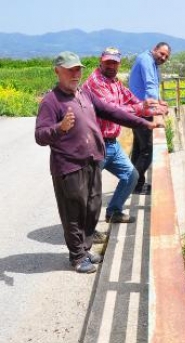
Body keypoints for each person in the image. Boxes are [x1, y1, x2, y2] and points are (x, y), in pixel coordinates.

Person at [35, 51, 162, 274]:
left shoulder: (83, 94)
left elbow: (112, 111)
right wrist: (59, 128)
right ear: (58, 71)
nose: (75, 74)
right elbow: (40, 136)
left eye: (78, 69)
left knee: (92, 208)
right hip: (69, 166)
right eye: (70, 70)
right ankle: (77, 257)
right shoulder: (50, 101)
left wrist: (144, 123)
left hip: (92, 160)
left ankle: (85, 250)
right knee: (73, 213)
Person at [82, 47, 168, 225]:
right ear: (101, 61)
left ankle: (114, 211)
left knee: (131, 176)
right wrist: (141, 108)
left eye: (114, 62)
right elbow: (113, 111)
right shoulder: (96, 82)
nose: (111, 66)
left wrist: (152, 107)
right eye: (108, 62)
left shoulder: (114, 82)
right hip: (95, 144)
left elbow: (131, 99)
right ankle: (86, 231)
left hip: (111, 143)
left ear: (119, 64)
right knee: (91, 190)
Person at [128, 42, 171, 195]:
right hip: (142, 111)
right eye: (162, 53)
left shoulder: (151, 61)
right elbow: (150, 84)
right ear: (154, 50)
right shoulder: (146, 60)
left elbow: (154, 86)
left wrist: (159, 100)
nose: (164, 57)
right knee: (148, 150)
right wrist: (156, 108)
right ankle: (131, 183)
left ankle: (137, 184)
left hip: (138, 109)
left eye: (166, 56)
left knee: (139, 148)